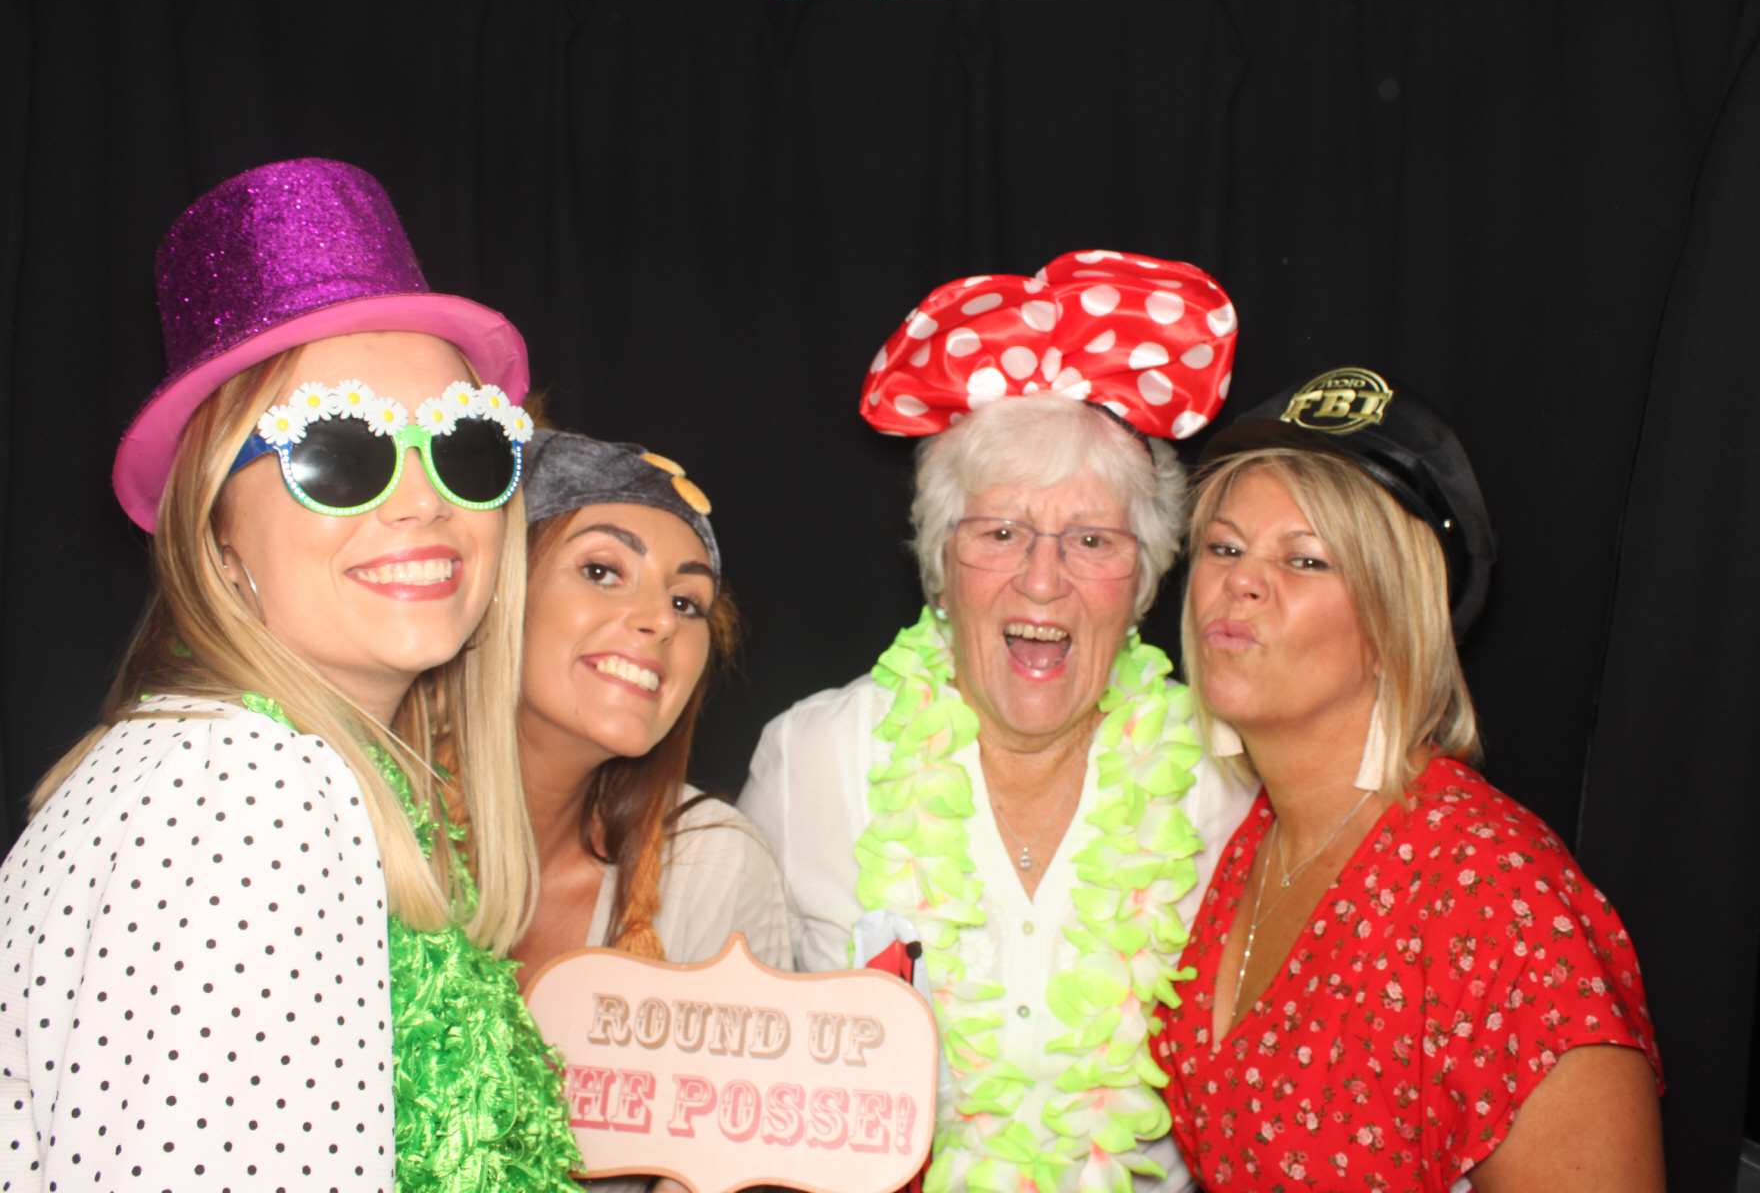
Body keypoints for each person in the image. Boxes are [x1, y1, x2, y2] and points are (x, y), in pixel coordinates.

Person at [0, 159, 583, 1191]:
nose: (423, 502)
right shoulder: (237, 794)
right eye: (341, 453)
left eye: (467, 447)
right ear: (215, 533)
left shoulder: (265, 771)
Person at [739, 251, 1258, 1193]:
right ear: (942, 568)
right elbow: (734, 1076)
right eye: (1001, 532)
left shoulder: (1229, 776)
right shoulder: (811, 758)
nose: (1043, 580)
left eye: (1092, 539)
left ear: (1143, 582)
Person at [1153, 367, 1662, 1192]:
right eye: (1225, 546)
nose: (1239, 580)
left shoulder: (1500, 901)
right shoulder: (1248, 839)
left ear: (1397, 619)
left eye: (1306, 559)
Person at [507, 429, 790, 992]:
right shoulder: (352, 820)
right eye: (601, 571)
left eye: (686, 603)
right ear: (498, 586)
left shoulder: (708, 863)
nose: (662, 619)